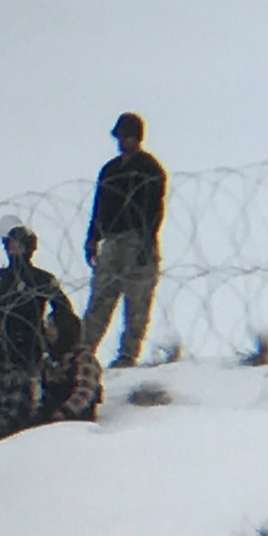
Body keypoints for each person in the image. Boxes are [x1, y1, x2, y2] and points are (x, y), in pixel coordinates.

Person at [0, 219, 75, 438]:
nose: (11, 248)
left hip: (29, 341)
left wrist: (53, 327)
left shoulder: (41, 278)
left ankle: (20, 423)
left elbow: (62, 306)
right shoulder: (1, 278)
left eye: (16, 244)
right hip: (0, 341)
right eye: (9, 244)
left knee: (25, 388)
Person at [82, 112, 168, 368]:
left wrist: (146, 242)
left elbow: (155, 209)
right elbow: (99, 208)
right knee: (100, 299)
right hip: (112, 240)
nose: (123, 141)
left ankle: (127, 355)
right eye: (120, 136)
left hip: (138, 238)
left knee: (137, 301)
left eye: (128, 136)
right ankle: (84, 354)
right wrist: (92, 238)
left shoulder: (150, 168)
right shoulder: (110, 171)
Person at [36, 310, 104, 423]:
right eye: (47, 325)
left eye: (52, 326)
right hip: (51, 419)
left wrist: (65, 412)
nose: (47, 330)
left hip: (75, 423)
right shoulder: (48, 360)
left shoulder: (83, 358)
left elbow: (85, 392)